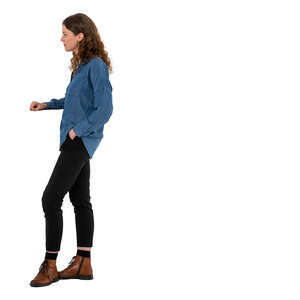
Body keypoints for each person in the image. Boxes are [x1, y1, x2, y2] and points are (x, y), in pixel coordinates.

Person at [28, 13, 113, 287]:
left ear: (81, 36)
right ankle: (83, 262)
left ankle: (50, 266)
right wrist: (46, 104)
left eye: (65, 33)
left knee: (50, 199)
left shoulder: (97, 66)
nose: (61, 38)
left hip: (80, 140)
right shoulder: (80, 67)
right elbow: (73, 100)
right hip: (73, 139)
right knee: (81, 200)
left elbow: (105, 109)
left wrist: (78, 131)